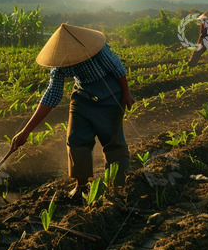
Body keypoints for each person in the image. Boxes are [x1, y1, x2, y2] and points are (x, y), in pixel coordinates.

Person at [11, 24, 135, 197]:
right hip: (82, 95)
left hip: (109, 92)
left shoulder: (97, 50)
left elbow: (118, 69)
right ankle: (81, 185)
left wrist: (126, 93)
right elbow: (52, 95)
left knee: (113, 142)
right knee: (76, 140)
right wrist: (26, 131)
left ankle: (118, 186)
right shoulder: (60, 64)